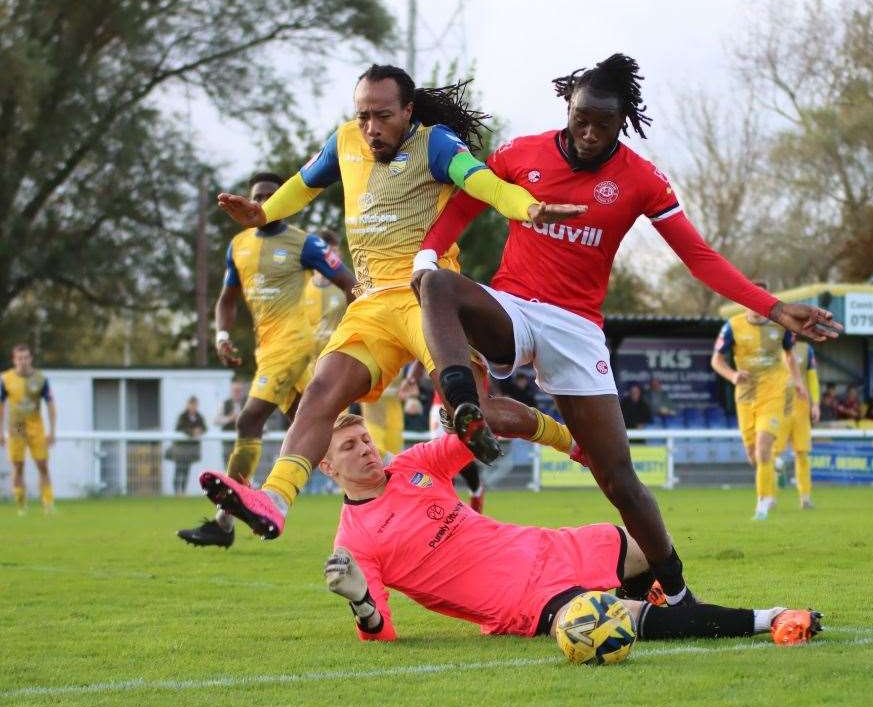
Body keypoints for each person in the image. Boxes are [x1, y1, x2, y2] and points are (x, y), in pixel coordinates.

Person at [411, 54, 841, 604]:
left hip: (576, 329)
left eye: (603, 124)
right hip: (513, 307)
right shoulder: (523, 153)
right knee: (438, 284)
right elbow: (467, 203)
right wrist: (426, 255)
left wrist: (776, 308)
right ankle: (465, 405)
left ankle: (677, 593)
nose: (589, 134)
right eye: (580, 119)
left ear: (623, 121)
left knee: (617, 479)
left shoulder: (641, 179)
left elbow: (699, 258)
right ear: (568, 108)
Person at [202, 65, 587, 541]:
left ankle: (573, 442)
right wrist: (264, 212)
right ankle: (276, 499)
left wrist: (526, 207)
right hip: (370, 305)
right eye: (362, 115)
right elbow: (303, 184)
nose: (370, 128)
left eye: (382, 116)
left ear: (407, 111)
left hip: (428, 297)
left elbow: (482, 183)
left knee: (476, 409)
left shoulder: (437, 143)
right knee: (322, 394)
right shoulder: (344, 142)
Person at [319, 412, 822, 646]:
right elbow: (380, 632)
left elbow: (476, 429)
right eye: (349, 446)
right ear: (327, 467)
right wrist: (360, 601)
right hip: (523, 601)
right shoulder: (355, 543)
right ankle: (769, 618)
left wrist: (480, 422)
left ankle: (679, 602)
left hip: (546, 546)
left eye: (365, 438)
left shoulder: (413, 466)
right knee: (615, 622)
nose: (365, 448)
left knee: (638, 541)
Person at [177, 172, 356, 548]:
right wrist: (222, 336)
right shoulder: (238, 245)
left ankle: (224, 521)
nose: (264, 201)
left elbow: (348, 283)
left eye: (273, 196)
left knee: (249, 419)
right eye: (258, 196)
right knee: (323, 429)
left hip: (292, 346)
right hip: (267, 350)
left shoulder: (304, 244)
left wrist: (357, 332)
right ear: (249, 200)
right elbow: (227, 299)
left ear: (286, 201)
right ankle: (381, 500)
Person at [712, 293, 804, 520]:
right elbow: (716, 360)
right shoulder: (732, 327)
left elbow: (790, 356)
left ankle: (762, 503)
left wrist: (798, 382)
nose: (755, 308)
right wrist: (733, 376)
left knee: (763, 448)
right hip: (745, 396)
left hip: (773, 394)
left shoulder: (781, 326)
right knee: (754, 456)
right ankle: (776, 465)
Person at [0, 344, 56, 515]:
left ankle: (48, 504)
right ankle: (21, 505)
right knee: (18, 466)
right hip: (17, 424)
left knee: (42, 464)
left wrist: (52, 431)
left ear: (31, 359)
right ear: (14, 360)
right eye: (19, 358)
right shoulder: (6, 379)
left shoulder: (41, 379)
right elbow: (1, 406)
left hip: (35, 424)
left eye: (25, 357)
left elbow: (51, 404)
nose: (22, 361)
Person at [774, 341, 821, 509]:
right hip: (779, 407)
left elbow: (812, 377)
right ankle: (769, 497)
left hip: (801, 408)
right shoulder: (772, 346)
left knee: (802, 454)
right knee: (772, 454)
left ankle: (805, 497)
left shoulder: (806, 349)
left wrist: (815, 404)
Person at [304, 230, 351, 366]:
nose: (332, 257)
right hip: (307, 365)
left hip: (336, 361)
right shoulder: (301, 287)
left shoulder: (348, 287)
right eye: (328, 253)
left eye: (335, 252)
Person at [170, 397, 207, 496]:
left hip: (190, 449)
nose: (193, 407)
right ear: (188, 405)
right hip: (180, 448)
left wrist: (200, 430)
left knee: (186, 470)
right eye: (192, 405)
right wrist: (192, 432)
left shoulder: (199, 416)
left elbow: (204, 428)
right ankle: (176, 492)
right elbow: (180, 428)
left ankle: (183, 491)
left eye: (195, 405)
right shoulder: (182, 416)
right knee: (179, 469)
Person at [215, 380, 247, 464]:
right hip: (228, 442)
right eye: (235, 390)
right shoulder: (224, 403)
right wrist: (230, 418)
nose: (237, 393)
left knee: (244, 468)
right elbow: (217, 420)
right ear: (231, 391)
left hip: (245, 442)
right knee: (228, 467)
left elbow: (256, 418)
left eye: (239, 390)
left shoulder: (248, 403)